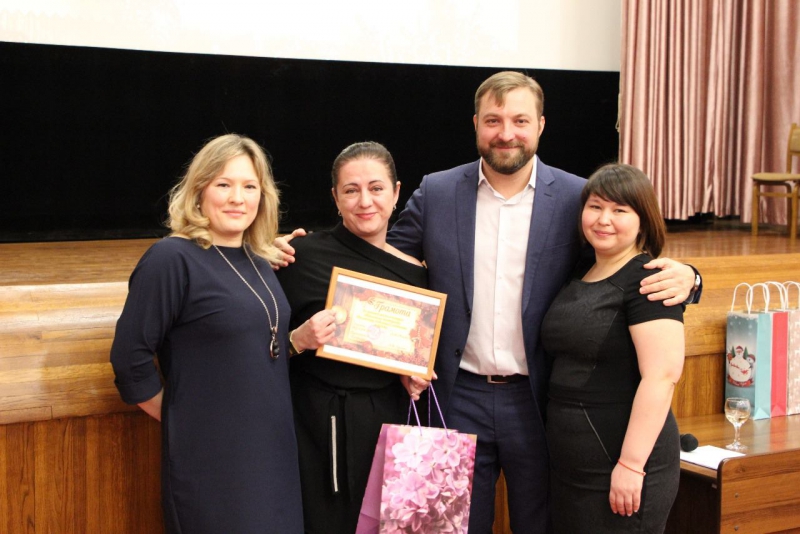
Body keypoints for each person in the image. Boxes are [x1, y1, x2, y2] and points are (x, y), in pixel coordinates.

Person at [276, 72, 700, 533]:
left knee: (540, 525)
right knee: (453, 527)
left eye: (520, 120)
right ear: (476, 124)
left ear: (541, 125)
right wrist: (289, 250)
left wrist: (691, 278)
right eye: (494, 120)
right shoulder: (438, 192)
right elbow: (378, 258)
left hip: (539, 401)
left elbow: (617, 263)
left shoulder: (576, 197)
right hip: (456, 397)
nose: (506, 133)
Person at [110, 134, 303, 533]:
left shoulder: (258, 259)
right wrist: (182, 419)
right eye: (224, 184)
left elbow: (250, 348)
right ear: (199, 191)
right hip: (212, 467)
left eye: (249, 187)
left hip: (272, 457)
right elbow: (129, 359)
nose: (237, 198)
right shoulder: (171, 258)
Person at [275, 141, 432, 534]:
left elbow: (408, 351)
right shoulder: (297, 256)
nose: (365, 201)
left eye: (376, 188)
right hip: (314, 426)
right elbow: (256, 348)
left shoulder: (415, 275)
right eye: (351, 190)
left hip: (387, 423)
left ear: (396, 193)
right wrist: (297, 339)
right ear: (335, 197)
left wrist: (411, 373)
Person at [541, 163, 684, 533]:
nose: (604, 219)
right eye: (595, 206)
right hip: (572, 467)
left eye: (619, 210)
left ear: (643, 220)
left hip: (623, 468)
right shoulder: (583, 268)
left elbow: (662, 376)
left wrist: (631, 465)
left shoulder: (651, 281)